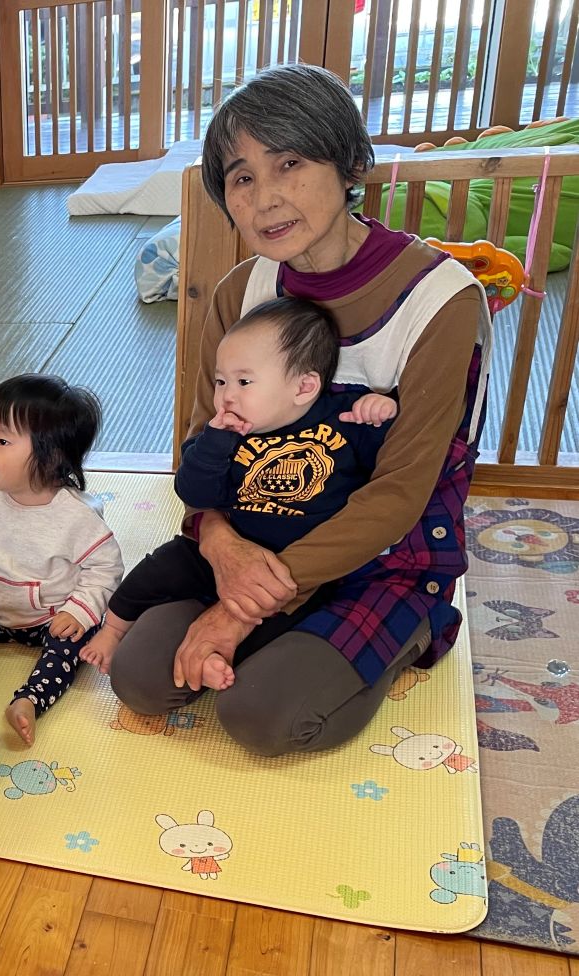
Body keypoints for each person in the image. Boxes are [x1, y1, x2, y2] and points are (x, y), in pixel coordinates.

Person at [109, 63, 491, 755]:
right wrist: (221, 547)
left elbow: (400, 493)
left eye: (289, 163)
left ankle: (408, 631)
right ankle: (282, 631)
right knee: (140, 677)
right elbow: (200, 443)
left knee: (261, 716)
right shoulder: (240, 292)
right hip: (254, 537)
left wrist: (237, 611)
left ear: (349, 164)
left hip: (381, 558)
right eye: (241, 177)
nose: (265, 199)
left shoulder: (440, 300)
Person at [82, 297, 397, 688]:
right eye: (221, 381)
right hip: (224, 548)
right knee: (157, 568)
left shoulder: (345, 418)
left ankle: (218, 657)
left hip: (291, 567)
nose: (227, 395)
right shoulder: (224, 435)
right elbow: (193, 491)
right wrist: (216, 441)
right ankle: (113, 628)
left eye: (244, 382)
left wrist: (382, 412)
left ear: (304, 387)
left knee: (280, 618)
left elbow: (391, 467)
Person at [0, 375, 124, 745]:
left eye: (2, 441)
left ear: (52, 455)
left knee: (76, 645)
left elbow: (106, 568)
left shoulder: (75, 516)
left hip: (51, 617)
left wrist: (79, 611)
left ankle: (29, 701)